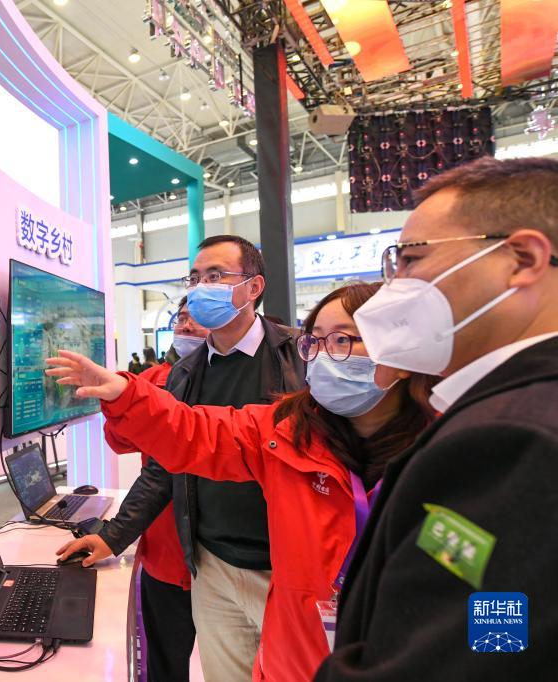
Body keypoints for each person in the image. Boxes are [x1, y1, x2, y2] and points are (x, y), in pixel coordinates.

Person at [50, 282, 437, 681]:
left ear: (402, 353)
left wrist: (481, 653)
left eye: (342, 340)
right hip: (292, 663)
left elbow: (483, 603)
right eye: (315, 342)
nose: (323, 357)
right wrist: (125, 395)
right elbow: (196, 433)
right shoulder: (287, 430)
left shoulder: (455, 457)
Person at [314, 157, 558, 679]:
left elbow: (474, 650)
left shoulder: (514, 440)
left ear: (522, 259)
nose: (395, 287)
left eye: (411, 259)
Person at [70, 235, 306, 681]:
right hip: (212, 565)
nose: (200, 288)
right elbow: (166, 464)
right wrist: (114, 536)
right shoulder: (184, 373)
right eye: (194, 278)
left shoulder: (300, 357)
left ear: (254, 287)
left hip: (286, 568)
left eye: (215, 276)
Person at [126, 297, 208, 682]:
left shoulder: (247, 384)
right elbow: (126, 444)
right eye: (181, 318)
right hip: (164, 549)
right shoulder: (153, 381)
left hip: (225, 558)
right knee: (164, 665)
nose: (186, 326)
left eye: (198, 318)